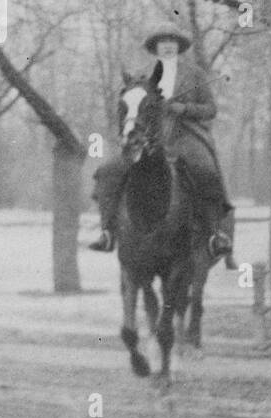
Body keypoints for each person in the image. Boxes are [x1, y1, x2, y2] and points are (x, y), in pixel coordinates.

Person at [90, 30, 234, 259]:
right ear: (155, 47)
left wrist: (184, 109)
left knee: (204, 171)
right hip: (147, 137)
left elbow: (210, 109)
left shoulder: (194, 74)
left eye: (172, 42)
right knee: (108, 171)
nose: (168, 46)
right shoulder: (140, 75)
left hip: (184, 134)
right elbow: (127, 107)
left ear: (179, 46)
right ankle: (107, 232)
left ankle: (215, 235)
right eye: (162, 42)